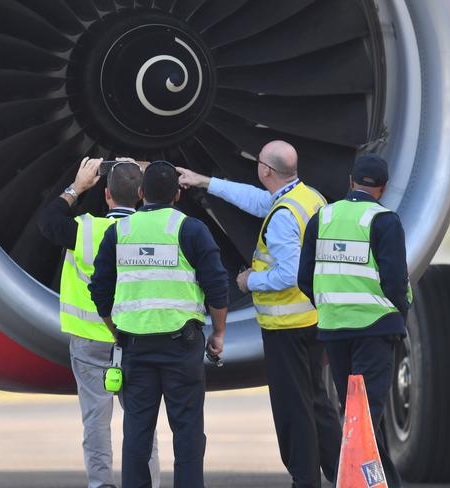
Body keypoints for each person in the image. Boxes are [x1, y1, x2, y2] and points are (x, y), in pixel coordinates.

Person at [177, 140, 341, 488]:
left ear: (265, 170)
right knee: (316, 402)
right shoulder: (307, 198)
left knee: (293, 409)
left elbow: (290, 272)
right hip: (312, 319)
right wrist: (205, 181)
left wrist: (250, 280)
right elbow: (256, 200)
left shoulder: (283, 217)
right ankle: (343, 471)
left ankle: (305, 479)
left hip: (286, 326)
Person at [89, 160, 228, 488]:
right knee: (188, 432)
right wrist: (219, 332)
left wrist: (116, 331)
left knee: (137, 432)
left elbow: (99, 290)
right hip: (182, 346)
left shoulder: (119, 232)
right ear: (178, 194)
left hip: (135, 347)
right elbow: (217, 285)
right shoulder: (191, 229)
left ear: (140, 194)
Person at [38, 157, 160, 488]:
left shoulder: (84, 229)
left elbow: (47, 222)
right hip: (138, 338)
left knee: (96, 419)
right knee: (141, 418)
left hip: (89, 340)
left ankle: (101, 483)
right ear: (139, 193)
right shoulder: (155, 232)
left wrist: (76, 187)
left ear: (106, 194)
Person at [298, 154, 411, 488]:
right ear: (384, 188)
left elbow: (305, 277)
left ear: (350, 181)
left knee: (358, 412)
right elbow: (394, 280)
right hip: (375, 327)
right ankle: (355, 481)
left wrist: (329, 305)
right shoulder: (385, 220)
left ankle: (383, 480)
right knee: (365, 413)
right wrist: (398, 314)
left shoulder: (323, 218)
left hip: (334, 329)